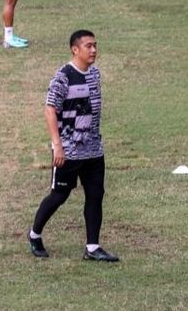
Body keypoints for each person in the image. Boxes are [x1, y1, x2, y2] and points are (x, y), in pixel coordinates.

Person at [28, 30, 120, 263]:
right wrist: (57, 145)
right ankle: (34, 235)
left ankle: (92, 247)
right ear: (75, 49)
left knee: (95, 195)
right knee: (59, 195)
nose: (94, 50)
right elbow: (50, 109)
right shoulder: (64, 76)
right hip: (68, 149)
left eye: (95, 45)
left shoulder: (95, 74)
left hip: (93, 149)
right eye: (88, 46)